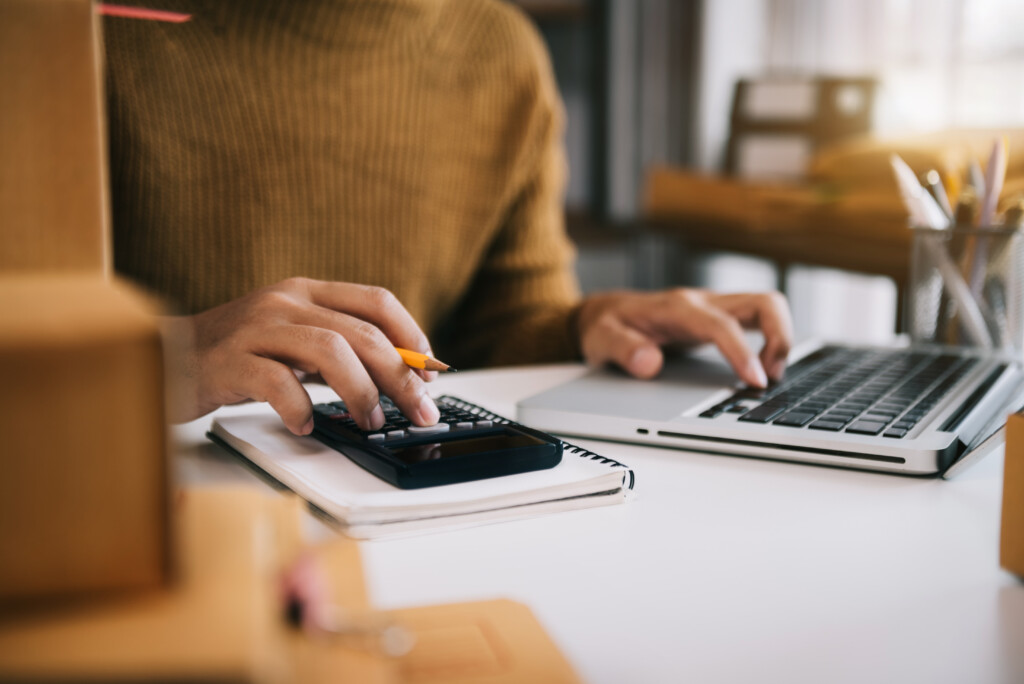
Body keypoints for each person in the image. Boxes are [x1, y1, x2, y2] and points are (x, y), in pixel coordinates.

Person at [103, 0, 792, 436]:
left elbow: (500, 331)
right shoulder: (82, 32)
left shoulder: (500, 51)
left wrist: (586, 326)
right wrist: (170, 357)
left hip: (403, 510)